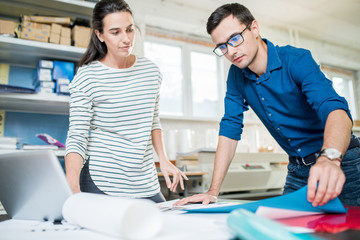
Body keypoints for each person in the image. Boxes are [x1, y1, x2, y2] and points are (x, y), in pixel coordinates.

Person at [175, 3, 360, 207]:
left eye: (235, 38)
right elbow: (230, 127)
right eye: (222, 47)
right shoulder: (236, 76)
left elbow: (335, 110)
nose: (231, 51)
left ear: (255, 28)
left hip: (342, 163)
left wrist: (330, 158)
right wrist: (212, 191)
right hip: (298, 170)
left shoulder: (296, 59)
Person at [65, 0, 187, 203]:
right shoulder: (87, 77)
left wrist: (163, 160)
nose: (126, 39)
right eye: (115, 32)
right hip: (102, 180)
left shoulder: (150, 71)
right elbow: (77, 137)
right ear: (100, 34)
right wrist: (73, 190)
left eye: (129, 30)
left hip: (145, 181)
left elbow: (153, 121)